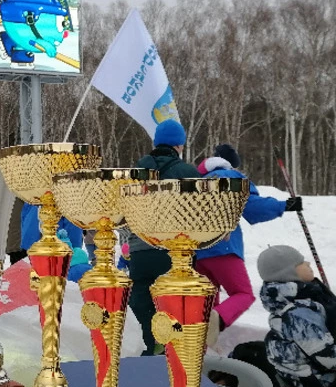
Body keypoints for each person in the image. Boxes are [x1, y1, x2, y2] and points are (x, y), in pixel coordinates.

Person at [195, 144, 302, 347]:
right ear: (232, 164)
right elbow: (253, 208)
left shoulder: (197, 181)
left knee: (207, 302)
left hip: (196, 252)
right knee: (242, 293)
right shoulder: (233, 178)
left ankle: (203, 349)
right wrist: (285, 205)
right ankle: (216, 321)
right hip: (224, 248)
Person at [127, 119, 200, 356]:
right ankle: (175, 360)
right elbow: (199, 212)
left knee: (142, 309)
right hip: (173, 253)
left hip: (139, 251)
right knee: (174, 308)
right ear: (179, 145)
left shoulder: (137, 172)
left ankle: (146, 356)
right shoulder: (187, 173)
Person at [258, 245, 336, 387]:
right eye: (301, 263)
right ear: (288, 273)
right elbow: (327, 358)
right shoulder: (297, 313)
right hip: (319, 377)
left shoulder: (306, 297)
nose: (308, 264)